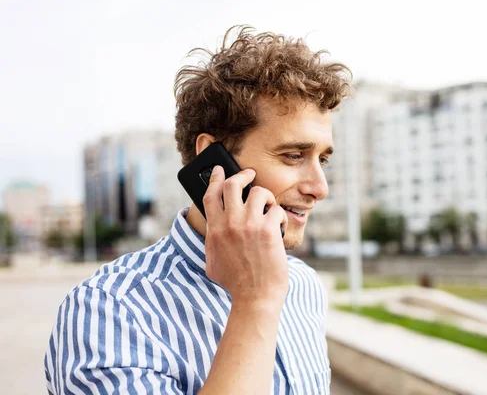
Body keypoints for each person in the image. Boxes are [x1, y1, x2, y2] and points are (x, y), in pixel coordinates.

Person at [44, 25, 352, 394]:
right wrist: (256, 301)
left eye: (324, 160)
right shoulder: (110, 311)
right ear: (212, 160)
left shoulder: (303, 284)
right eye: (293, 156)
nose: (319, 188)